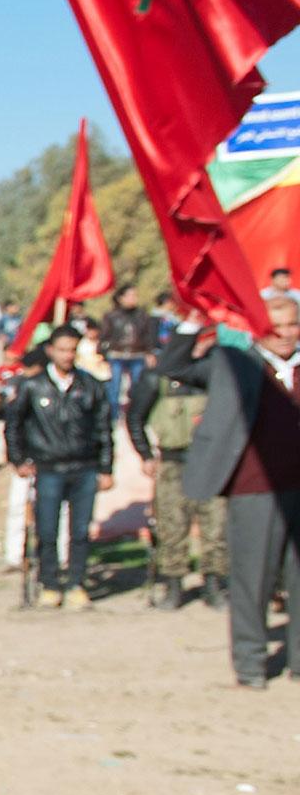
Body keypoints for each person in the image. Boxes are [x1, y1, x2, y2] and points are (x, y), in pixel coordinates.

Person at [155, 298, 300, 686]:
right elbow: (173, 367)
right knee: (253, 580)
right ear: (258, 328)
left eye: (293, 325)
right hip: (255, 488)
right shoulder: (233, 363)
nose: (286, 334)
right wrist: (189, 324)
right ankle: (251, 663)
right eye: (277, 326)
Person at [5, 324, 114, 609]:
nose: (67, 356)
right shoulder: (31, 386)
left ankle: (76, 583)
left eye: (72, 350)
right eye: (62, 349)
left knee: (80, 531)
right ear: (51, 350)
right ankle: (50, 583)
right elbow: (13, 424)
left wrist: (106, 468)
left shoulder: (90, 386)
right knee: (47, 529)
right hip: (48, 467)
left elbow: (104, 429)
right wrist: (18, 459)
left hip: (84, 466)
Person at [126, 348, 226, 610]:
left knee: (216, 526)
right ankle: (173, 585)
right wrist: (145, 454)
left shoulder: (214, 375)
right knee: (171, 525)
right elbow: (135, 416)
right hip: (172, 462)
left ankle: (213, 585)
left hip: (210, 463)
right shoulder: (155, 377)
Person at [99, 283, 156, 421]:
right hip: (116, 355)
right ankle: (114, 417)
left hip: (137, 355)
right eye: (129, 296)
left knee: (137, 388)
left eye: (134, 295)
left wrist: (149, 353)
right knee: (115, 388)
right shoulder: (111, 316)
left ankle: (136, 416)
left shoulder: (141, 315)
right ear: (121, 298)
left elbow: (148, 336)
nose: (133, 299)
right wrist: (103, 355)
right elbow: (104, 337)